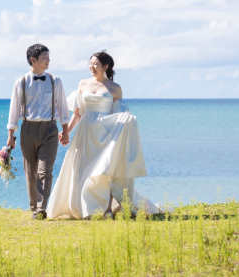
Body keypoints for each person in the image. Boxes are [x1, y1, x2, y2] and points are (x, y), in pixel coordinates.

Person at [46, 51, 159, 219]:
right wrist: (66, 131)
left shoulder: (115, 88)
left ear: (105, 67)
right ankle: (85, 208)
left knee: (106, 171)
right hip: (86, 132)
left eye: (96, 64)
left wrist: (129, 123)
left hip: (106, 133)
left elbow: (120, 114)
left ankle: (107, 209)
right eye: (90, 63)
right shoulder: (83, 84)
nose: (92, 67)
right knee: (82, 170)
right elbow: (77, 113)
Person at [6, 44, 71, 219]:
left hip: (50, 129)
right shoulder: (20, 82)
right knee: (31, 171)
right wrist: (10, 136)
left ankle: (42, 207)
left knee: (45, 171)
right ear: (33, 60)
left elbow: (63, 108)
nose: (48, 60)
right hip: (28, 129)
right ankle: (34, 207)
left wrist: (65, 131)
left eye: (49, 57)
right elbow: (14, 110)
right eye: (45, 57)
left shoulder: (56, 81)